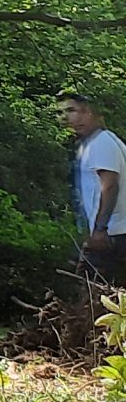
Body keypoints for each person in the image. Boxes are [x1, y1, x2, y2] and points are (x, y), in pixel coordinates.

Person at [62, 92, 125, 281]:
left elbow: (110, 186)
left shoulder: (101, 143)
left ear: (88, 113)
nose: (66, 118)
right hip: (114, 233)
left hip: (113, 234)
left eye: (72, 110)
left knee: (89, 287)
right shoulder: (99, 142)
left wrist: (100, 229)